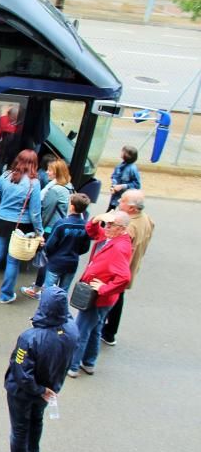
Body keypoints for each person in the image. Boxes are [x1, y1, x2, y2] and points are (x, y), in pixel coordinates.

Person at [0, 286, 79, 452]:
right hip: (50, 387)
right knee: (36, 420)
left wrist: (37, 389)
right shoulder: (71, 330)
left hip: (24, 392)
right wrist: (45, 390)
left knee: (19, 428)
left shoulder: (30, 338)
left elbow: (21, 372)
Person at [67, 210, 132, 378]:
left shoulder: (119, 247)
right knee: (95, 329)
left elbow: (124, 277)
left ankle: (73, 365)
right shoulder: (112, 238)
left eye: (112, 225)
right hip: (101, 298)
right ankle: (88, 362)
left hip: (99, 298)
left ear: (122, 228)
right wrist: (97, 219)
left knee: (81, 330)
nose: (107, 227)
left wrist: (103, 288)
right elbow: (92, 231)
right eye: (107, 223)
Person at [0, 149, 43, 304]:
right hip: (22, 226)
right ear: (33, 164)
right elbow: (35, 212)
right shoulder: (33, 183)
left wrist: (3, 207)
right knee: (12, 260)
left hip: (2, 221)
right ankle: (6, 295)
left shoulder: (6, 176)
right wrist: (39, 231)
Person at [101, 189, 155, 346]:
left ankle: (108, 331)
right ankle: (110, 331)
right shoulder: (146, 219)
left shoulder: (128, 227)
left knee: (112, 299)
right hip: (131, 266)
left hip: (118, 270)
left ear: (132, 208)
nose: (119, 202)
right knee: (118, 298)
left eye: (122, 200)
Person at [21, 159, 75, 299]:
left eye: (50, 170)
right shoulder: (68, 187)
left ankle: (37, 289)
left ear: (56, 172)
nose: (47, 172)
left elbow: (46, 211)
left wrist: (40, 231)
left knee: (44, 259)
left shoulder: (55, 190)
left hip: (51, 228)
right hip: (60, 227)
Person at [107, 145, 141, 210]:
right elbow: (115, 177)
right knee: (110, 210)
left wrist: (122, 186)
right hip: (116, 195)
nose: (121, 152)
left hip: (126, 198)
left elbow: (137, 185)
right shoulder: (119, 166)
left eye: (123, 151)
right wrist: (113, 187)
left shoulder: (132, 169)